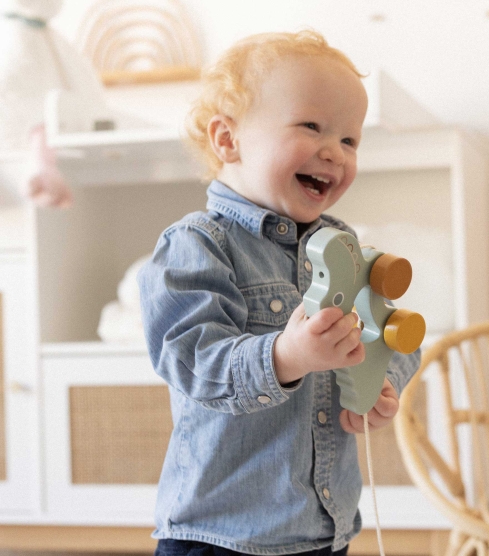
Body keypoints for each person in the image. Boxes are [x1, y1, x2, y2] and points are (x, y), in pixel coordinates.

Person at [138, 29, 420, 556]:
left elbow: (390, 332)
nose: (334, 152)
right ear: (228, 140)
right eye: (312, 126)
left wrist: (383, 384)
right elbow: (192, 361)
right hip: (222, 534)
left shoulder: (342, 246)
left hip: (322, 526)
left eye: (350, 139)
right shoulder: (197, 245)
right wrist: (285, 356)